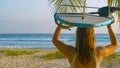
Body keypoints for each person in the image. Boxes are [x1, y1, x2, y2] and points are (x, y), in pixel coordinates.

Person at [52, 23, 118, 68]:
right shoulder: (99, 52)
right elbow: (114, 44)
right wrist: (109, 27)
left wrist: (60, 25)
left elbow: (55, 40)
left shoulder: (70, 51)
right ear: (92, 36)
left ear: (78, 35)